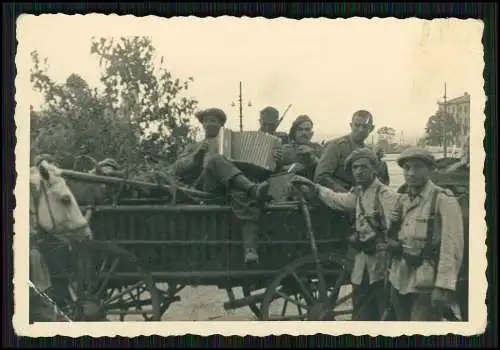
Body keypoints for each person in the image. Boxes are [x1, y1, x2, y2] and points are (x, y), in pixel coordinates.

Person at [290, 148, 400, 320]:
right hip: (362, 265)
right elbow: (338, 200)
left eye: (364, 167)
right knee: (361, 312)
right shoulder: (359, 194)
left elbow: (396, 233)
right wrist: (315, 188)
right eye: (355, 168)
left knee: (384, 314)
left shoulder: (386, 196)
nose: (359, 171)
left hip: (382, 267)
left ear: (375, 169)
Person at [167, 108, 268, 265]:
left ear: (221, 125)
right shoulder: (193, 147)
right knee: (215, 161)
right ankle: (253, 189)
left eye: (214, 121)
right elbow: (177, 169)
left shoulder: (232, 145)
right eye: (206, 121)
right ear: (202, 124)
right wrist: (197, 156)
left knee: (241, 194)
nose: (209, 124)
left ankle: (250, 249)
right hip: (201, 190)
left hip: (226, 190)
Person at [385, 147, 464, 321]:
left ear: (430, 169)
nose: (411, 173)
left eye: (418, 167)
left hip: (427, 283)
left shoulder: (443, 200)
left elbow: (451, 248)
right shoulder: (402, 200)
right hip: (399, 280)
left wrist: (443, 286)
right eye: (407, 168)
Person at [314, 110, 376, 192]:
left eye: (365, 126)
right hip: (337, 196)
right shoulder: (337, 146)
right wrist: (345, 192)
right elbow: (320, 177)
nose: (360, 130)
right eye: (357, 125)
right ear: (351, 125)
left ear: (371, 128)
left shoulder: (369, 153)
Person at [275, 115, 324, 180]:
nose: (303, 133)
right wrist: (291, 168)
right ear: (295, 132)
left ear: (311, 133)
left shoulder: (318, 149)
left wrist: (311, 156)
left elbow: (325, 170)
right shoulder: (285, 149)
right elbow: (275, 172)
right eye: (300, 129)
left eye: (307, 130)